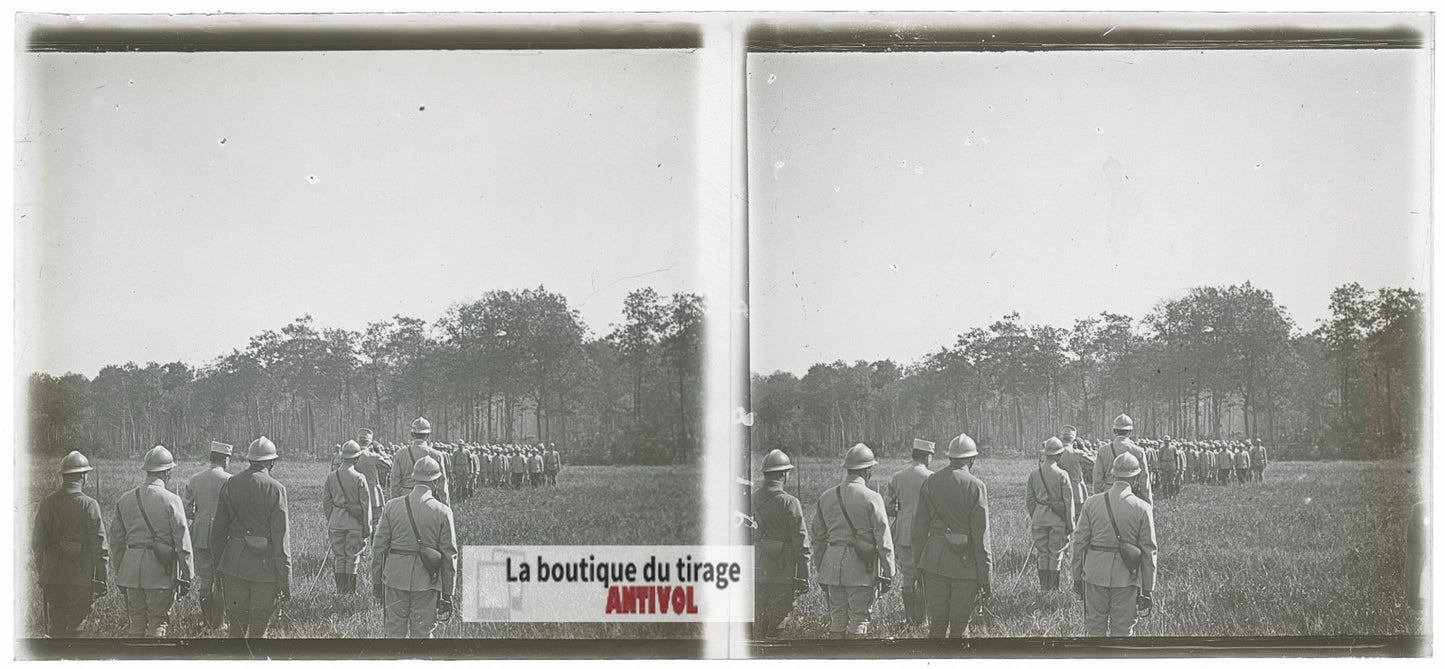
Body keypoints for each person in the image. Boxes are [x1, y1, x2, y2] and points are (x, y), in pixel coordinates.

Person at [912, 433, 992, 638]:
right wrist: (986, 578)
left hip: (933, 562)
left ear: (950, 457)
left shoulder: (931, 482)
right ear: (972, 459)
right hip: (965, 566)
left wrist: (919, 566)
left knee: (937, 624)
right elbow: (981, 538)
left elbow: (919, 529)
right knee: (960, 625)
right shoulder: (976, 486)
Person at [810, 443, 894, 639]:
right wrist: (888, 572)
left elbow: (818, 539)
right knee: (859, 619)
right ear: (868, 470)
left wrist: (822, 569)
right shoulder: (872, 497)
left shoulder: (826, 497)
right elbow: (883, 539)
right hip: (860, 566)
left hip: (831, 565)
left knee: (837, 618)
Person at [1070, 453, 1158, 636]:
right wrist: (1148, 588)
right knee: (1123, 631)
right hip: (1127, 577)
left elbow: (1078, 544)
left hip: (1094, 574)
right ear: (1135, 478)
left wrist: (1077, 577)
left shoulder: (1091, 503)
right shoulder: (1142, 508)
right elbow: (1149, 552)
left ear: (1113, 475)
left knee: (1094, 628)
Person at [211, 436, 292, 638]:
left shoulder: (230, 484)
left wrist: (218, 569)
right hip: (264, 568)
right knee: (259, 627)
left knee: (235, 628)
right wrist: (285, 581)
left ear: (250, 460)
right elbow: (281, 542)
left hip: (232, 565)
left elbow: (218, 533)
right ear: (272, 462)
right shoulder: (276, 489)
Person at [110, 445, 193, 638]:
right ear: (167, 473)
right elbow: (182, 541)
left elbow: (116, 541)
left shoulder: (125, 499)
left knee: (136, 623)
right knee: (158, 622)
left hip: (130, 571)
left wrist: (121, 572)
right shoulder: (171, 500)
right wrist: (187, 575)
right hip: (159, 573)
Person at [372, 455, 458, 638]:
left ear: (413, 478)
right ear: (435, 481)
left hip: (394, 578)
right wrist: (448, 592)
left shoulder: (391, 506)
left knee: (394, 633)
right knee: (423, 635)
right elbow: (449, 555)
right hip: (427, 581)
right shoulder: (443, 511)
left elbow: (378, 548)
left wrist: (376, 581)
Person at [32, 450, 108, 638]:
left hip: (52, 575)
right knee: (77, 626)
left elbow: (37, 544)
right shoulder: (89, 504)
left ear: (64, 476)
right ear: (83, 476)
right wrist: (102, 578)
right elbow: (99, 547)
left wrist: (43, 571)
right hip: (80, 576)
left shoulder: (47, 503)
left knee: (56, 626)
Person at [752, 449, 810, 638]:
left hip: (756, 568)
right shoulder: (790, 502)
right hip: (783, 569)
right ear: (784, 474)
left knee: (758, 616)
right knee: (780, 618)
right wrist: (804, 573)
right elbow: (801, 542)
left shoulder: (750, 500)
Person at [183, 441, 233, 628]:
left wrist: (197, 516)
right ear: (225, 459)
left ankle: (206, 622)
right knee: (220, 581)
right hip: (223, 536)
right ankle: (218, 624)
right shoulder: (230, 479)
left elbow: (185, 508)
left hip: (201, 533)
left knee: (205, 580)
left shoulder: (196, 479)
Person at [885, 438, 933, 629]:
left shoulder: (898, 477)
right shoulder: (931, 477)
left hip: (903, 532)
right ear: (926, 456)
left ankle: (909, 618)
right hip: (925, 533)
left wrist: (901, 512)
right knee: (923, 578)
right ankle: (922, 620)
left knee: (907, 577)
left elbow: (887, 505)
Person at [325, 440, 373, 595]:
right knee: (352, 558)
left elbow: (327, 502)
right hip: (355, 524)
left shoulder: (331, 476)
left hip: (336, 521)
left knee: (339, 557)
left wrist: (331, 519)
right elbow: (365, 505)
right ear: (356, 458)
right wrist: (367, 527)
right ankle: (350, 592)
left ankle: (340, 591)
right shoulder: (359, 478)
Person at [1026, 437, 1073, 592]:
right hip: (1058, 520)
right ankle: (1053, 589)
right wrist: (1070, 523)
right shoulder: (1062, 474)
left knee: (1042, 553)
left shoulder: (1034, 474)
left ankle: (1043, 588)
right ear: (1059, 455)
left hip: (1039, 518)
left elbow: (1030, 500)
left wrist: (1036, 516)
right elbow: (1068, 501)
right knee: (1056, 554)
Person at [390, 418, 450, 505]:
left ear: (412, 434)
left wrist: (395, 502)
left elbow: (394, 481)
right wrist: (445, 505)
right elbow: (442, 483)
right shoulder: (436, 455)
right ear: (428, 435)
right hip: (428, 498)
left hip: (405, 498)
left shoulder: (400, 453)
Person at [1093, 414, 1152, 503]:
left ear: (1114, 431)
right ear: (1130, 432)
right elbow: (1144, 480)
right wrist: (1148, 501)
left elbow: (1097, 478)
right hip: (1130, 494)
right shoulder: (1138, 451)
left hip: (1108, 494)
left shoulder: (1103, 450)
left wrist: (1099, 498)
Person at [355, 429, 392, 536]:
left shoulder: (353, 456)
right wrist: (380, 451)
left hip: (357, 494)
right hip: (373, 495)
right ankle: (374, 548)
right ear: (370, 442)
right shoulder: (372, 456)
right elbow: (389, 464)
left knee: (359, 522)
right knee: (376, 523)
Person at [1057, 426, 1094, 522]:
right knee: (1078, 517)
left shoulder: (1055, 452)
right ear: (1073, 439)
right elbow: (1093, 462)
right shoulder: (1076, 453)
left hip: (1058, 489)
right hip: (1076, 488)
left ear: (1061, 437)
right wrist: (1085, 449)